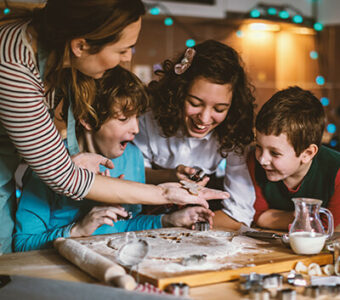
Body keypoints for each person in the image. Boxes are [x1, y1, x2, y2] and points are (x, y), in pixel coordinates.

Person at [0, 0, 228, 253]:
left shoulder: (51, 50)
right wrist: (164, 194)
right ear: (80, 45)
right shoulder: (13, 68)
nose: (128, 57)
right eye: (123, 49)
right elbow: (63, 177)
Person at [14, 66, 214, 252]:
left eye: (137, 117)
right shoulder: (51, 164)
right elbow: (22, 244)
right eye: (123, 119)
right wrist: (78, 230)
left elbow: (127, 224)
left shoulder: (133, 157)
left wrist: (168, 220)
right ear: (88, 119)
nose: (135, 128)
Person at [133, 40, 256, 229]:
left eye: (220, 108)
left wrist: (188, 224)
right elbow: (131, 177)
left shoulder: (234, 130)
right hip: (144, 218)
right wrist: (170, 176)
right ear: (178, 93)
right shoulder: (148, 119)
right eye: (195, 103)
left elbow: (240, 213)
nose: (204, 119)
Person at [248, 86, 340, 231]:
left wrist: (276, 218)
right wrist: (301, 218)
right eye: (259, 146)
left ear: (308, 154)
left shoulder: (336, 171)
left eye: (275, 153)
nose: (262, 160)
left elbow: (325, 229)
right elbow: (256, 215)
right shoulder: (253, 162)